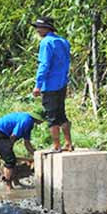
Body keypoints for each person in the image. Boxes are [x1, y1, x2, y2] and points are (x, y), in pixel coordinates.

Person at [31, 17, 72, 152]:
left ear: (46, 28)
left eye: (39, 27)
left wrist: (38, 85)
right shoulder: (63, 41)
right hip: (62, 83)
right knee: (61, 114)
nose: (37, 30)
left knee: (52, 117)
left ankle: (56, 145)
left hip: (49, 85)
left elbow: (44, 65)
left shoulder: (46, 42)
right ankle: (68, 143)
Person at [0, 111, 43, 191]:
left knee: (12, 159)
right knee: (10, 160)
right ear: (38, 119)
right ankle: (8, 186)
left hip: (2, 134)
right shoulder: (27, 120)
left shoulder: (29, 123)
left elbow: (27, 143)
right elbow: (14, 136)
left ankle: (15, 182)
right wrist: (8, 148)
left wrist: (36, 155)